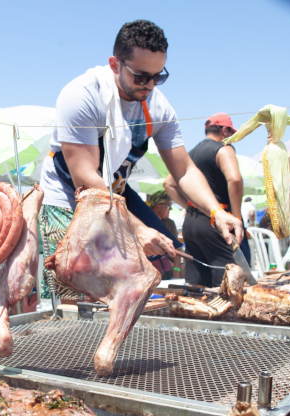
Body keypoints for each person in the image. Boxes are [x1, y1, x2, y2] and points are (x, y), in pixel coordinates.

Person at [38, 20, 243, 299]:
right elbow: (85, 177)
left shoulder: (159, 107)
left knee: (161, 258)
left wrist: (217, 212)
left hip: (115, 190)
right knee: (74, 292)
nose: (150, 85)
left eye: (159, 76)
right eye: (141, 76)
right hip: (69, 195)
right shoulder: (82, 96)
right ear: (115, 65)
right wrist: (136, 229)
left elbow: (183, 170)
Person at [167, 112, 251, 286]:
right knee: (231, 283)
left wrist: (193, 207)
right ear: (225, 130)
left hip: (192, 223)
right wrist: (236, 216)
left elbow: (169, 184)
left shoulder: (190, 154)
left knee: (197, 285)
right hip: (218, 222)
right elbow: (234, 179)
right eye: (231, 133)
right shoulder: (223, 148)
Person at [146, 190, 178, 279]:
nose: (170, 209)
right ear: (157, 207)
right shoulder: (142, 223)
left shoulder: (170, 223)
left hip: (166, 268)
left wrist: (177, 269)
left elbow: (177, 247)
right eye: (168, 206)